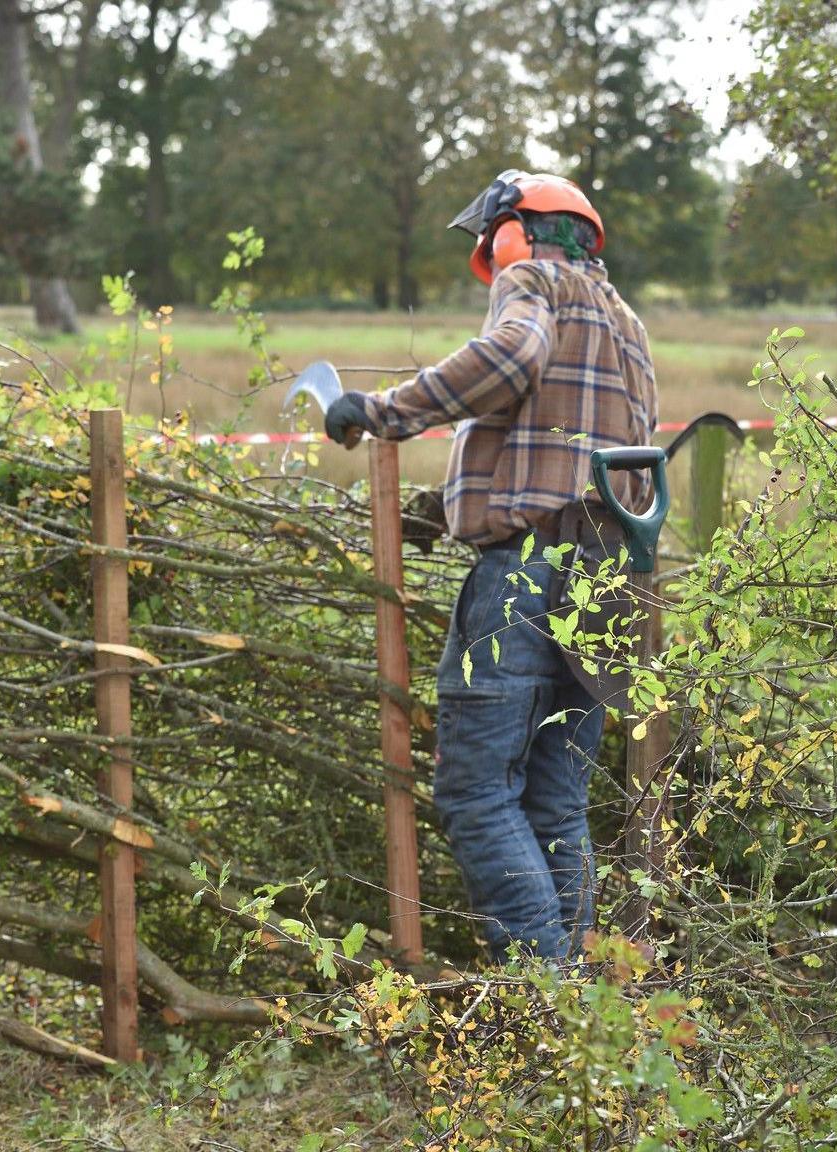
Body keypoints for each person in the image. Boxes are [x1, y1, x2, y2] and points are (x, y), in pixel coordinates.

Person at [323, 169, 659, 962]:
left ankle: (553, 999)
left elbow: (511, 359)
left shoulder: (531, 278)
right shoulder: (626, 322)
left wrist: (381, 412)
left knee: (476, 796)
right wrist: (443, 509)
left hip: (526, 579)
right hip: (606, 582)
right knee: (555, 804)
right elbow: (555, 451)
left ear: (515, 230)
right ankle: (587, 1008)